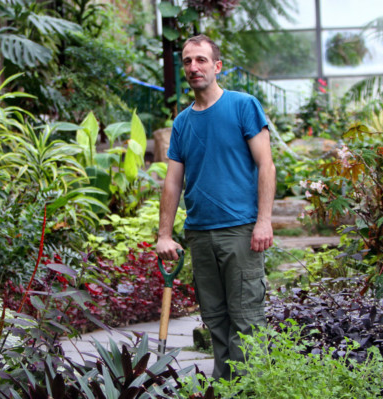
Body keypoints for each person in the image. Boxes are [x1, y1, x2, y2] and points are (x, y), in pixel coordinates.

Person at [156, 34, 276, 380]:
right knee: (216, 321)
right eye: (188, 61)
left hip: (240, 230)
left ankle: (251, 389)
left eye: (202, 60)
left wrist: (263, 221)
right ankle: (226, 388)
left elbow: (266, 165)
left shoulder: (243, 106)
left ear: (217, 66)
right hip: (200, 234)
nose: (194, 67)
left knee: (247, 320)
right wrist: (164, 234)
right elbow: (173, 181)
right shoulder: (182, 123)